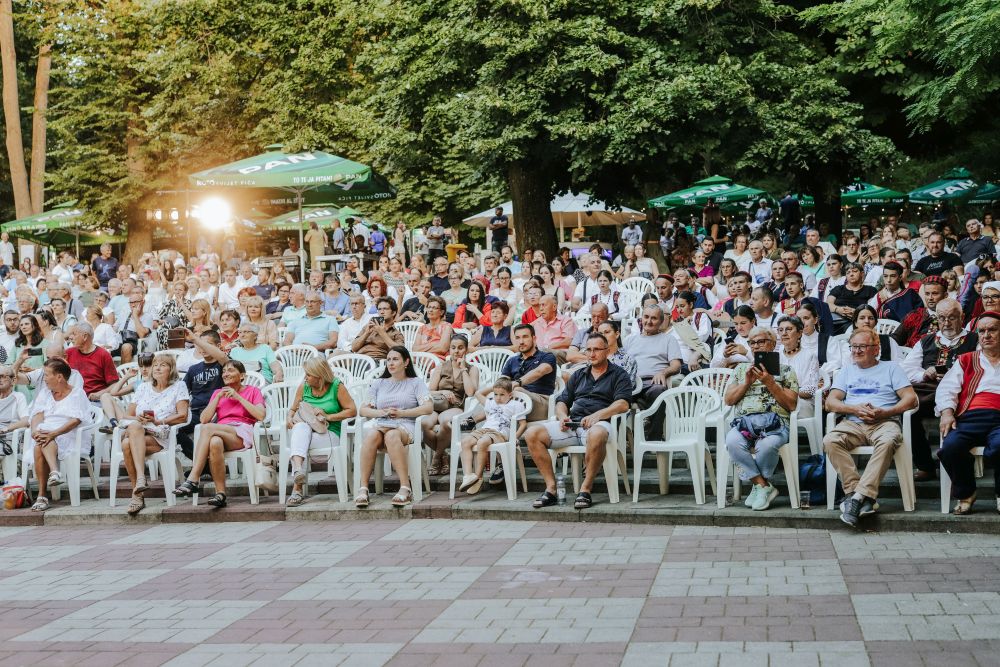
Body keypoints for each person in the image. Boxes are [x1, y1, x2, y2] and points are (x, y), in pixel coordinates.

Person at [524, 331, 632, 509]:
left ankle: (585, 489)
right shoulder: (579, 374)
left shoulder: (619, 375)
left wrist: (598, 415)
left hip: (600, 425)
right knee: (532, 433)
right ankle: (551, 489)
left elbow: (623, 404)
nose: (592, 354)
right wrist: (562, 416)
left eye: (597, 349)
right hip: (573, 424)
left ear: (607, 351)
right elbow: (562, 401)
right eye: (588, 350)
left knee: (597, 433)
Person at [823, 327, 917, 527]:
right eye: (853, 346)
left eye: (862, 346)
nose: (856, 351)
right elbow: (830, 402)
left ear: (876, 349)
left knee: (888, 441)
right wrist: (854, 409)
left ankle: (857, 497)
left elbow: (911, 399)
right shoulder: (846, 370)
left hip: (884, 422)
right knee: (830, 440)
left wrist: (886, 412)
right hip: (853, 423)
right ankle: (857, 494)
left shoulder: (891, 368)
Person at [901, 298, 979, 482]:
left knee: (962, 414)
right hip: (929, 392)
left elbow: (981, 368)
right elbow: (906, 369)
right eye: (942, 318)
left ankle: (958, 468)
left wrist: (956, 377)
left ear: (962, 317)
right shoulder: (926, 341)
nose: (946, 322)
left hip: (962, 394)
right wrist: (924, 374)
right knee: (908, 413)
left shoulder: (974, 340)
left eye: (952, 317)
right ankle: (925, 466)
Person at [724, 326, 800, 510]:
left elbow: (791, 405)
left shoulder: (786, 370)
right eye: (752, 343)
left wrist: (770, 382)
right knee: (732, 441)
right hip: (745, 424)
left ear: (772, 344)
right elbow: (729, 400)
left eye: (761, 341)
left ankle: (759, 486)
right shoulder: (741, 369)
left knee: (766, 445)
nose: (756, 346)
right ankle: (763, 486)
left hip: (776, 424)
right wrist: (746, 383)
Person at [172, 360, 266, 508]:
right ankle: (220, 494)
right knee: (215, 442)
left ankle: (193, 478)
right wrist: (217, 398)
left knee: (208, 429)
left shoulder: (253, 391)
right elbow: (203, 419)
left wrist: (238, 397)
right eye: (224, 371)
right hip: (221, 431)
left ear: (242, 376)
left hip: (242, 431)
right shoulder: (218, 393)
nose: (225, 374)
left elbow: (260, 415)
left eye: (230, 370)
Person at [936, 311, 1000, 514]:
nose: (986, 335)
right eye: (982, 331)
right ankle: (966, 492)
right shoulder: (966, 360)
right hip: (970, 417)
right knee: (950, 448)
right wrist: (947, 413)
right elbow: (947, 388)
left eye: (992, 330)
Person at [355, 346, 434, 508]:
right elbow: (363, 410)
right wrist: (382, 412)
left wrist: (402, 413)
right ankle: (363, 488)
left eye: (395, 359)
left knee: (391, 435)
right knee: (371, 436)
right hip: (383, 422)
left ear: (406, 362)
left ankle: (405, 487)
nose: (390, 363)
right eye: (388, 360)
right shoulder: (379, 383)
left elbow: (428, 407)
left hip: (406, 424)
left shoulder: (415, 382)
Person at [118, 354, 190, 515]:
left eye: (163, 365)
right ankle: (140, 481)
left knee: (126, 444)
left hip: (161, 434)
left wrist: (157, 421)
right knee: (133, 429)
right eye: (155, 364)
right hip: (139, 431)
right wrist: (138, 418)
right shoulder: (143, 387)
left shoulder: (179, 386)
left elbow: (183, 416)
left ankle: (137, 494)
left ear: (171, 369)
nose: (157, 368)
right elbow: (127, 416)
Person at [283, 357, 357, 506]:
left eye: (308, 374)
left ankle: (297, 489)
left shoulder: (337, 386)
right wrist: (289, 418)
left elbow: (352, 410)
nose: (305, 377)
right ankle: (298, 472)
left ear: (319, 376)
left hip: (329, 433)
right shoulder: (304, 387)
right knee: (300, 428)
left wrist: (328, 416)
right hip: (306, 432)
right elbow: (292, 409)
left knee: (299, 444)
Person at [26, 359, 93, 512]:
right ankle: (54, 472)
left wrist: (54, 433)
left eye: (46, 375)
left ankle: (42, 496)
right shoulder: (45, 392)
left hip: (70, 434)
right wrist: (35, 431)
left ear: (59, 377)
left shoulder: (77, 393)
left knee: (41, 443)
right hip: (46, 432)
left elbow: (76, 420)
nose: (44, 378)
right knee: (41, 440)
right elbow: (37, 415)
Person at [457, 377, 525, 494]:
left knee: (482, 442)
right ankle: (468, 476)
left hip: (499, 432)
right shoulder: (491, 403)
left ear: (510, 395)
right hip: (484, 430)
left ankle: (478, 477)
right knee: (465, 442)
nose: (498, 398)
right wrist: (494, 386)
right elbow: (477, 393)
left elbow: (523, 424)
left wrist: (515, 437)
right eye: (495, 394)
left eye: (502, 394)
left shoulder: (516, 405)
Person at [423, 335, 479, 476]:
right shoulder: (441, 367)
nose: (456, 351)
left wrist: (463, 369)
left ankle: (436, 458)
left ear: (466, 350)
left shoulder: (472, 369)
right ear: (449, 349)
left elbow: (471, 392)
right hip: (437, 404)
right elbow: (430, 391)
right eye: (453, 348)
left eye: (460, 348)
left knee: (446, 423)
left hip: (456, 406)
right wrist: (443, 391)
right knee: (424, 424)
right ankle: (443, 455)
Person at [625, 305, 682, 437]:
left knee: (658, 392)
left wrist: (663, 373)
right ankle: (618, 438)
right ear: (641, 318)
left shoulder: (668, 339)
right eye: (646, 317)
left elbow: (676, 365)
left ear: (661, 321)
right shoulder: (630, 340)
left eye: (654, 318)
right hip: (630, 383)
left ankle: (653, 439)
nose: (649, 321)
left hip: (652, 382)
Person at [491, 323, 557, 423]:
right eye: (517, 338)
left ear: (534, 338)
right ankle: (473, 420)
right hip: (516, 399)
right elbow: (502, 383)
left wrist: (518, 382)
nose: (521, 342)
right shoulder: (512, 360)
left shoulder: (547, 356)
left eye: (525, 337)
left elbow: (539, 372)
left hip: (542, 401)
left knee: (517, 391)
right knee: (497, 394)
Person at [776, 316, 819, 417]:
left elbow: (810, 389)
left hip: (802, 401)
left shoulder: (809, 356)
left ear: (799, 333)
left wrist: (785, 393)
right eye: (781, 330)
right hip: (777, 399)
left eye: (789, 329)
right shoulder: (776, 356)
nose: (784, 333)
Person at [65, 323, 118, 403]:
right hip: (72, 400)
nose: (70, 337)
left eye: (74, 334)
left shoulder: (103, 355)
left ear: (85, 336)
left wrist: (99, 394)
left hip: (95, 401)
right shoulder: (68, 353)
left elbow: (114, 384)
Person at [894, 276, 949, 348]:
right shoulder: (914, 315)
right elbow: (896, 338)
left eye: (935, 293)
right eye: (927, 294)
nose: (930, 298)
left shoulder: (952, 318)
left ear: (945, 295)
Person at [827, 263, 877, 335]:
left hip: (860, 323)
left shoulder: (870, 290)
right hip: (837, 322)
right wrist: (838, 309)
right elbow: (828, 304)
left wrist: (857, 312)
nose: (851, 274)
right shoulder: (838, 289)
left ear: (862, 273)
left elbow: (871, 308)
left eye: (855, 271)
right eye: (848, 272)